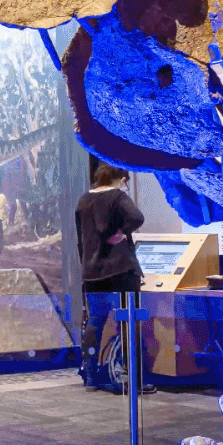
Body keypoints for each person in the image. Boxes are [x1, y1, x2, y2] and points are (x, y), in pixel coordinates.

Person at [75, 160, 146, 394]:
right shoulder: (117, 197)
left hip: (92, 272)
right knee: (128, 323)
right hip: (120, 270)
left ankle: (91, 376)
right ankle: (131, 376)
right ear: (122, 178)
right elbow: (137, 217)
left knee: (95, 321)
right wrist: (120, 232)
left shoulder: (84, 200)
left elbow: (80, 240)